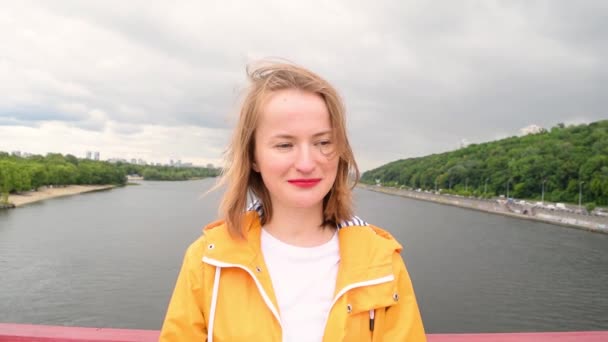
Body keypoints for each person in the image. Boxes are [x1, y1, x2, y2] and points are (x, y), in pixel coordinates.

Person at [159, 61, 426, 341]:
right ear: (253, 157)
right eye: (285, 145)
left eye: (323, 142)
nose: (307, 163)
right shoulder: (208, 260)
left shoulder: (381, 261)